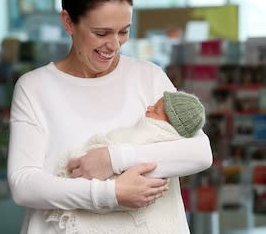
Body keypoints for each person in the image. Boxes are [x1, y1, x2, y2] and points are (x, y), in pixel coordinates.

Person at [7, 0, 212, 234]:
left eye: (123, 31)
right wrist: (111, 194)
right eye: (101, 33)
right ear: (68, 22)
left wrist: (114, 159)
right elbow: (23, 184)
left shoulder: (148, 77)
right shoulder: (35, 88)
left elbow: (201, 152)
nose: (113, 45)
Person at [46, 91, 206, 233]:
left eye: (156, 111)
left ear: (170, 125)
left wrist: (108, 155)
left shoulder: (157, 136)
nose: (148, 108)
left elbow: (204, 154)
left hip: (120, 189)